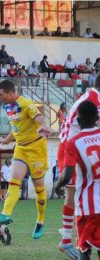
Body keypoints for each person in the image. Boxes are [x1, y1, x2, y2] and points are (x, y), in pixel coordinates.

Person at [0, 79, 50, 240]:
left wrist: (43, 125)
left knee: (39, 189)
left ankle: (40, 220)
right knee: (14, 181)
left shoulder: (26, 103)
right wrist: (7, 140)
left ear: (10, 93)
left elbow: (39, 118)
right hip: (21, 148)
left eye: (0, 94)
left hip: (36, 149)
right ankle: (5, 213)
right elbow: (16, 126)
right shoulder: (8, 106)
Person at [56, 74, 100, 259]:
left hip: (81, 144)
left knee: (76, 193)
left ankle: (68, 239)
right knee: (75, 193)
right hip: (73, 147)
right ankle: (67, 239)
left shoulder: (92, 96)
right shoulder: (94, 100)